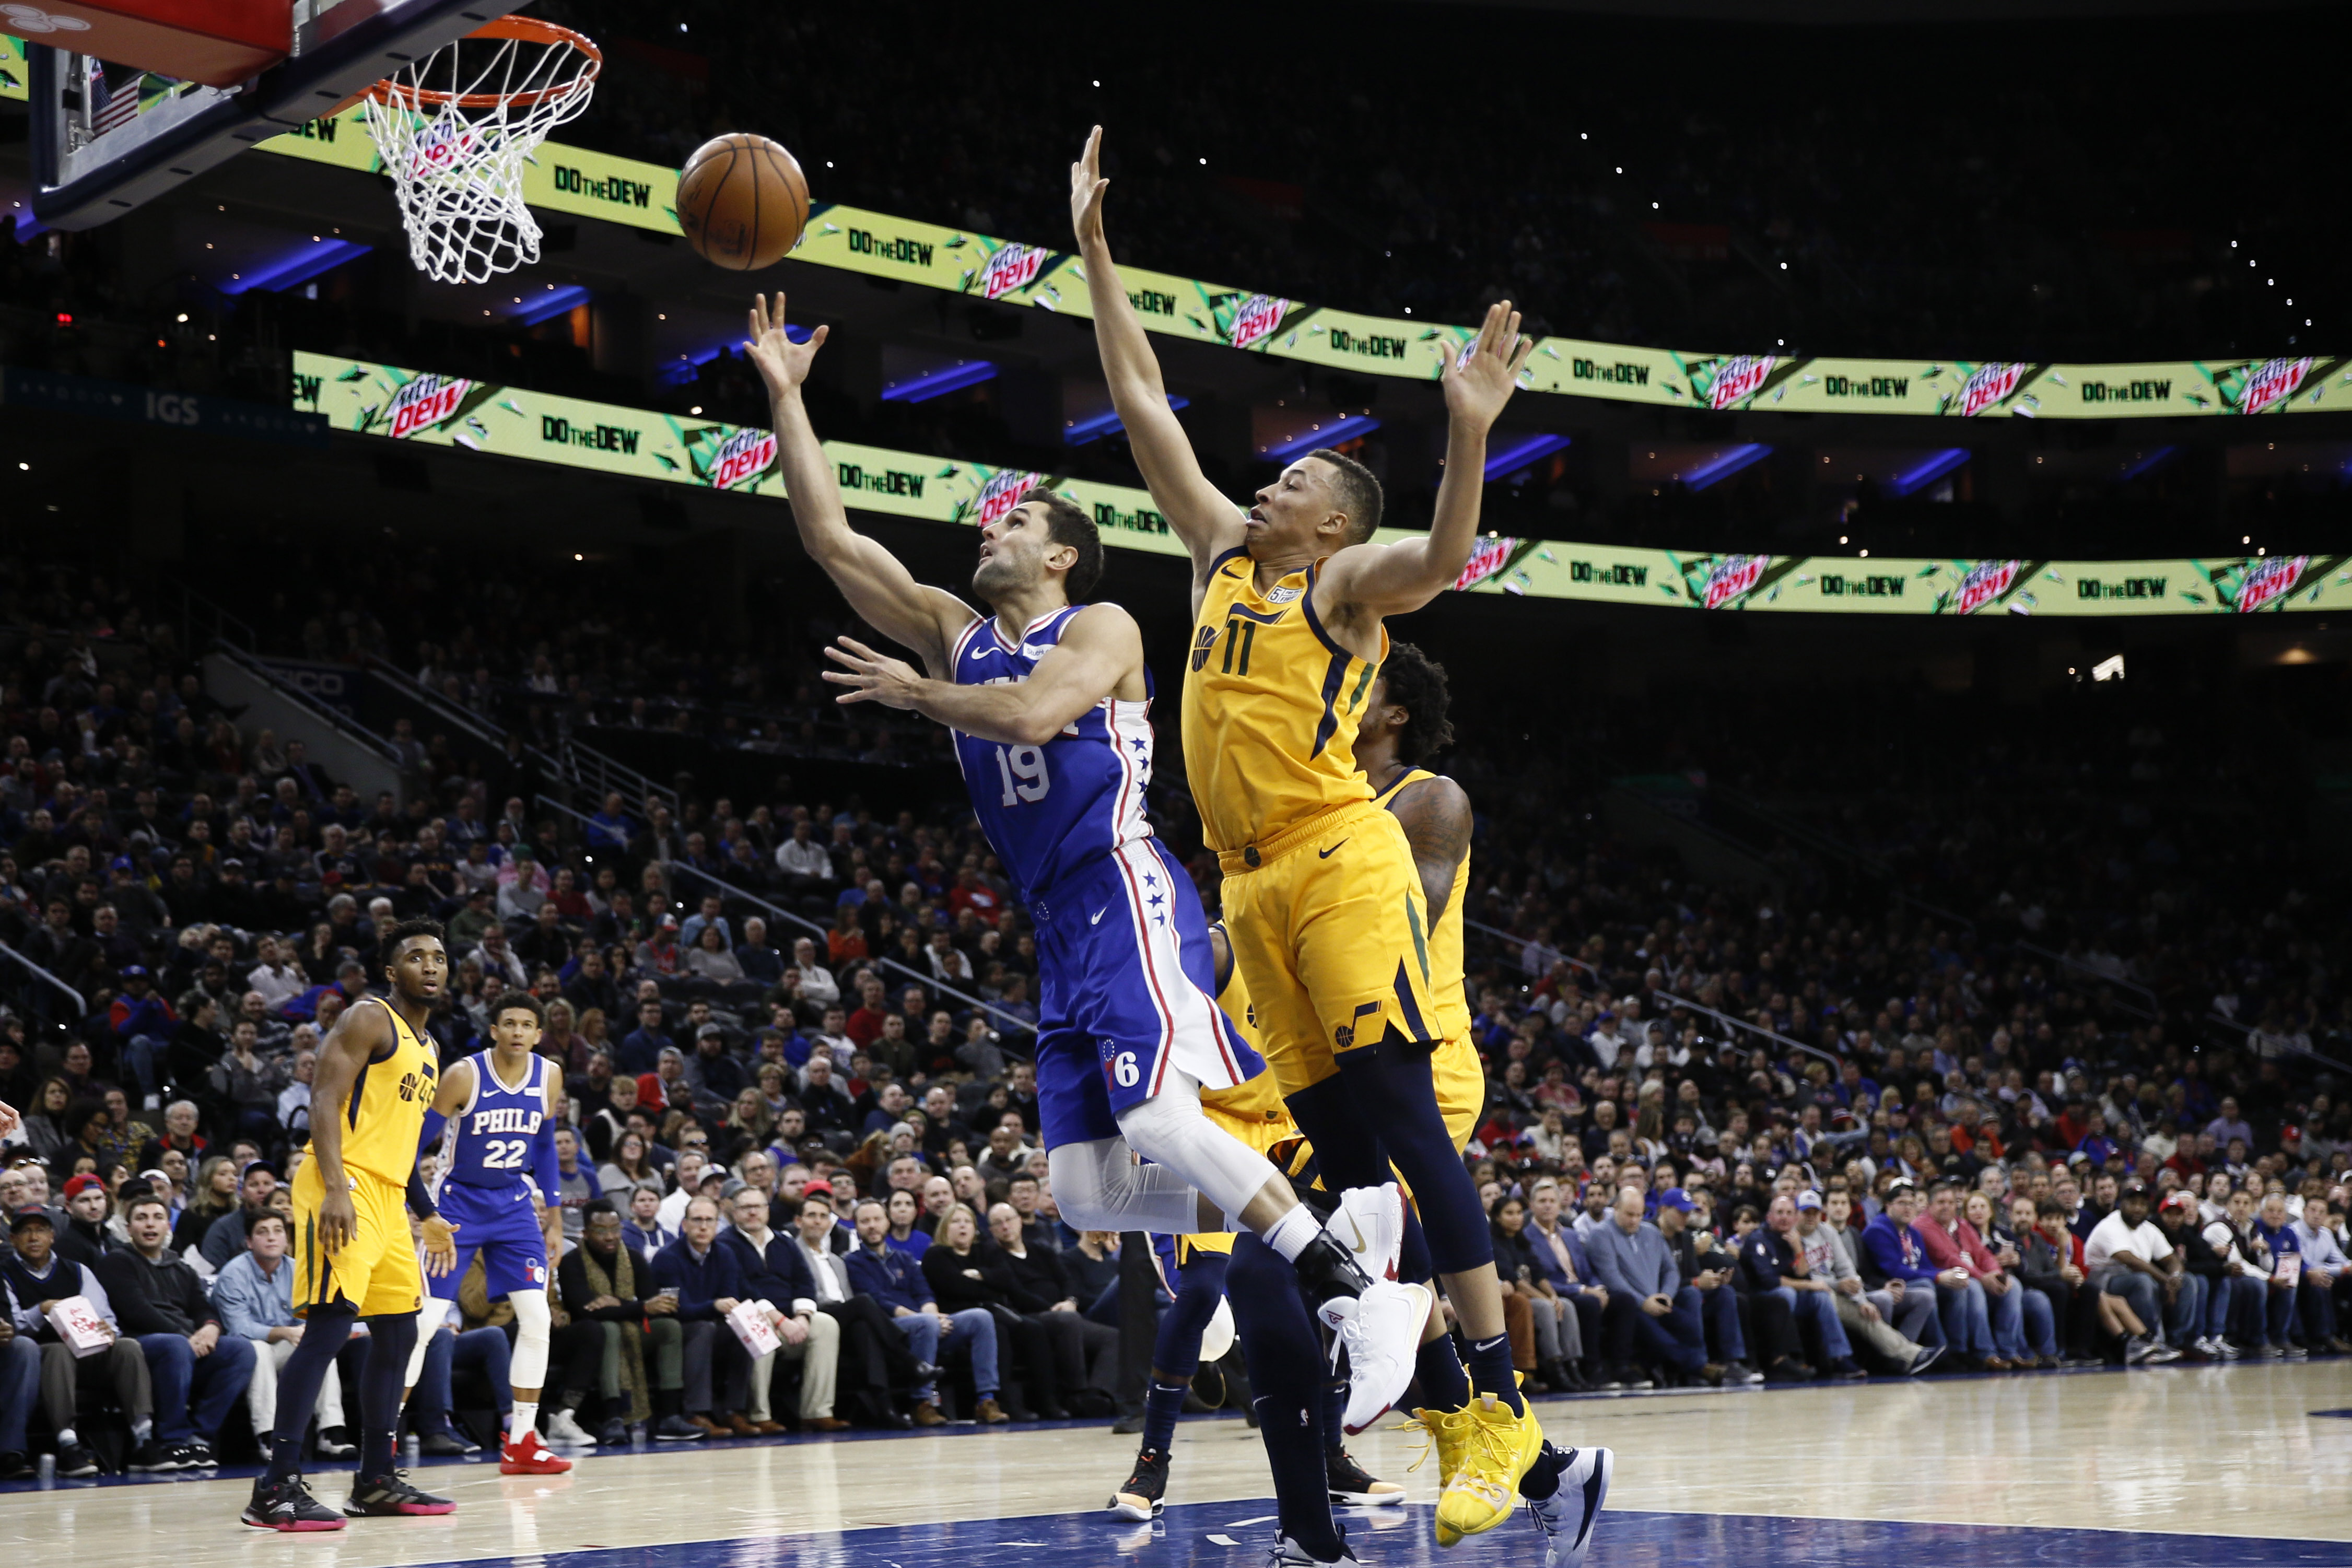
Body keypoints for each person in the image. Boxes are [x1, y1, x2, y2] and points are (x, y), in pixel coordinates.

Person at [748, 285, 1425, 1447]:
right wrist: (785, 399)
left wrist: (915, 696)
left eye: (1014, 521)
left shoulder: (1101, 628)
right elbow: (829, 539)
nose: (988, 529)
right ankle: (1297, 1213)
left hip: (1124, 885)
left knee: (1160, 1120)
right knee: (1082, 1191)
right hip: (1055, 923)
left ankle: (1362, 1292)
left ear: (1061, 553)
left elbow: (1027, 717)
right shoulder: (955, 629)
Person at [1068, 127, 1582, 1563]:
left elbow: (1437, 562)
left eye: (1295, 480)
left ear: (1328, 523)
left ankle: (1496, 1405)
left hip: (1333, 853)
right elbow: (1137, 395)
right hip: (1245, 880)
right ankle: (1412, 1373)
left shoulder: (1339, 585)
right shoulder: (1215, 555)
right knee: (1342, 1148)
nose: (1270, 483)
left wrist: (1468, 429)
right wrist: (1096, 252)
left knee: (1405, 1123)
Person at [243, 917, 460, 1530]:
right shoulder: (369, 1017)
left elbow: (403, 1145)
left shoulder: (431, 1048)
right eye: (417, 956)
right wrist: (337, 1186)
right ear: (393, 971)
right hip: (342, 1185)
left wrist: (428, 1212)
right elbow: (323, 1099)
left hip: (390, 1197)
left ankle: (376, 1479)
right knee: (330, 1327)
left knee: (398, 1336)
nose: (431, 965)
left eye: (439, 957)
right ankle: (275, 1487)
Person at [404, 991, 570, 1475]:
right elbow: (412, 1144)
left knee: (537, 1320)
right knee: (423, 1324)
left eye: (527, 1026)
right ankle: (385, 1439)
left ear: (538, 1035)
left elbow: (543, 1145)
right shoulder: (463, 1075)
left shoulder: (550, 1076)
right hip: (458, 1205)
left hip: (515, 1207)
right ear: (494, 1031)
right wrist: (421, 1208)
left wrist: (555, 1216)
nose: (518, 1032)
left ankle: (522, 1441)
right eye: (509, 1024)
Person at [96, 1191, 258, 1469]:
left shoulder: (181, 1267)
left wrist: (210, 1329)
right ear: (128, 1228)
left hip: (185, 1346)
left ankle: (200, 1437)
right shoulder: (116, 1262)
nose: (150, 1225)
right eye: (141, 1218)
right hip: (139, 1346)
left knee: (242, 1350)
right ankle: (172, 1440)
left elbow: (203, 1308)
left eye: (158, 1218)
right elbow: (138, 1311)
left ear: (167, 1226)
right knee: (174, 1345)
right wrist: (188, 1338)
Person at [3, 1206, 162, 1477]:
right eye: (25, 1231)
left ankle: (143, 1438)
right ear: (13, 1239)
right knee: (57, 1352)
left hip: (88, 1351)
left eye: (40, 1230)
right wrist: (42, 1310)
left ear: (52, 1236)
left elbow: (105, 1315)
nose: (34, 1237)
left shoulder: (78, 1271)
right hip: (42, 1358)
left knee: (128, 1347)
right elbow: (15, 1328)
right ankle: (68, 1444)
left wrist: (108, 1330)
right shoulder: (6, 1273)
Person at [212, 1209, 359, 1465]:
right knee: (258, 1350)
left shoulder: (298, 1270)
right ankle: (268, 1435)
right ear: (249, 1242)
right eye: (262, 1232)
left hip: (284, 1347)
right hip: (243, 1352)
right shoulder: (232, 1274)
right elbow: (239, 1327)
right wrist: (284, 1332)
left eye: (278, 1231)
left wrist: (303, 1333)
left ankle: (331, 1432)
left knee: (321, 1349)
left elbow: (307, 1319)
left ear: (287, 1239)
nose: (271, 1238)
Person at [845, 1196, 1001, 1426]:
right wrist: (927, 1319)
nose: (872, 1226)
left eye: (877, 1219)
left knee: (981, 1318)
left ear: (887, 1222)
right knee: (926, 1324)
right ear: (856, 1227)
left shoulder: (904, 1258)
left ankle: (987, 1400)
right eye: (865, 1221)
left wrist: (934, 1314)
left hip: (926, 1323)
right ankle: (922, 1403)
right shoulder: (853, 1262)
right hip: (889, 1329)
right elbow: (877, 1301)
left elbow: (924, 1293)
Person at [556, 1201, 701, 1443]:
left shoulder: (632, 1258)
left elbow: (656, 1305)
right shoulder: (572, 1262)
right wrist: (636, 1306)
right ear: (585, 1233)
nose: (610, 1236)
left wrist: (618, 1304)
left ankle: (670, 1416)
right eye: (601, 1231)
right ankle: (614, 1416)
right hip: (592, 1339)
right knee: (609, 1329)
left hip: (633, 1331)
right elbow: (587, 1311)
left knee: (669, 1328)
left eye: (615, 1229)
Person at [717, 1186, 850, 1434]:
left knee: (826, 1324)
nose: (753, 1213)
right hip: (753, 1316)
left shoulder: (784, 1242)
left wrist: (802, 1317)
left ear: (768, 1210)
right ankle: (759, 1414)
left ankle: (816, 1412)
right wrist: (780, 1320)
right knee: (757, 1324)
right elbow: (741, 1287)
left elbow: (804, 1281)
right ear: (734, 1213)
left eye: (758, 1207)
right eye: (746, 1208)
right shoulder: (725, 1245)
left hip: (790, 1320)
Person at [2084, 1179, 2188, 1364]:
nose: (2138, 1209)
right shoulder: (2110, 1225)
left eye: (2142, 1204)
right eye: (2133, 1203)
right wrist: (2166, 1280)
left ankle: (2178, 1340)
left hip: (2133, 1277)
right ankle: (2148, 1343)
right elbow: (2131, 1260)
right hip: (2102, 1280)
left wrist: (2176, 1277)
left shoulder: (2148, 1229)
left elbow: (2173, 1260)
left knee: (2191, 1281)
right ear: (2121, 1204)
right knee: (2143, 1281)